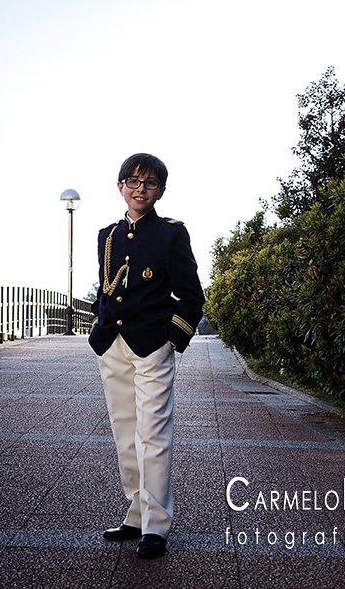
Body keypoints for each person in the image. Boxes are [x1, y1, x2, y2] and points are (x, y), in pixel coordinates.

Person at [89, 152, 204, 559]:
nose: (140, 190)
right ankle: (136, 514)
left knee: (153, 436)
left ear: (161, 191)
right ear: (120, 186)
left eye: (149, 183)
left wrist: (172, 339)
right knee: (125, 434)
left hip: (152, 346)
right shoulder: (107, 235)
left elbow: (192, 296)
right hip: (113, 345)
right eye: (133, 182)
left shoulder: (172, 234)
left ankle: (156, 526)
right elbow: (108, 288)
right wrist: (98, 330)